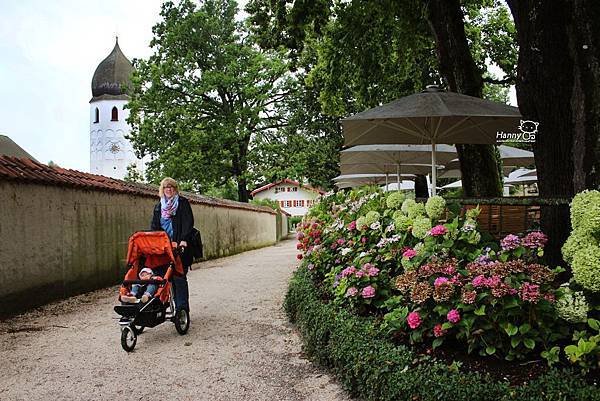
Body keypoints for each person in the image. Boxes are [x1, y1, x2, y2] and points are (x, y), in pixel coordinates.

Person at [151, 177, 194, 313]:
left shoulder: (182, 203)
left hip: (180, 247)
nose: (168, 189)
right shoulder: (159, 207)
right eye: (166, 187)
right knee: (162, 277)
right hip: (164, 247)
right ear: (162, 190)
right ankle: (160, 305)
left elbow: (188, 222)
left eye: (171, 187)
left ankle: (182, 309)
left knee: (178, 278)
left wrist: (183, 239)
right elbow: (154, 227)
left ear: (175, 189)